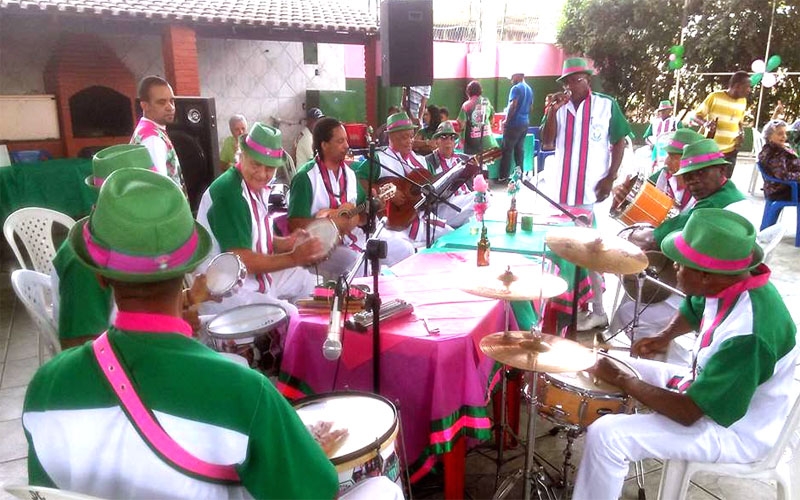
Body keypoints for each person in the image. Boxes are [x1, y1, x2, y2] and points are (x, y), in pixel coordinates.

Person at [23, 168, 343, 499]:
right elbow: (317, 493)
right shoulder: (246, 392)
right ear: (189, 267)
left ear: (101, 277)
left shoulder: (44, 390)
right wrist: (305, 452)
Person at [572, 208, 798, 500]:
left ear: (705, 276)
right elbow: (695, 307)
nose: (674, 267)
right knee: (613, 362)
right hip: (706, 387)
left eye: (681, 264)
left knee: (608, 436)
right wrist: (662, 337)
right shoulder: (731, 281)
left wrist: (624, 380)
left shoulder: (749, 335)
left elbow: (689, 412)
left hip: (736, 429)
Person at [196, 122, 328, 317]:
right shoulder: (229, 193)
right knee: (290, 314)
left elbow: (253, 233)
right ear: (242, 155)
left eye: (270, 169)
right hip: (225, 292)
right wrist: (293, 257)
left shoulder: (251, 185)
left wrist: (286, 243)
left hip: (249, 279)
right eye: (256, 164)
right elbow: (242, 260)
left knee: (307, 280)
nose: (262, 174)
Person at [540, 57, 632, 331]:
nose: (571, 85)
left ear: (587, 79)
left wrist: (610, 177)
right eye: (567, 80)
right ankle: (571, 307)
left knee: (592, 251)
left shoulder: (606, 105)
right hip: (562, 192)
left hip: (594, 192)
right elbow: (546, 141)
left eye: (576, 79)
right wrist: (551, 112)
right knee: (567, 250)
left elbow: (619, 142)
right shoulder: (559, 107)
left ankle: (599, 310)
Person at [288, 117, 414, 279]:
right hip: (321, 247)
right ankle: (358, 303)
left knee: (405, 249)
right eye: (340, 141)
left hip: (354, 237)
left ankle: (392, 297)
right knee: (360, 263)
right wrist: (329, 225)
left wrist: (375, 207)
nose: (347, 146)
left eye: (346, 140)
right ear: (324, 145)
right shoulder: (305, 177)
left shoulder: (350, 174)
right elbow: (295, 223)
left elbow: (361, 216)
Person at [355, 111, 453, 247]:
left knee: (450, 236)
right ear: (390, 137)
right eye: (404, 137)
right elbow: (360, 178)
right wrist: (384, 192)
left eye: (411, 137)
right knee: (404, 249)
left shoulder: (420, 161)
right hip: (391, 222)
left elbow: (433, 182)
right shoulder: (380, 158)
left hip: (418, 217)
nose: (409, 141)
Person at [688, 71, 751, 178]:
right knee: (708, 182)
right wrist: (706, 124)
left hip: (731, 151)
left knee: (725, 183)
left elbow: (739, 122)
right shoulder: (715, 97)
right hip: (711, 151)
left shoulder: (743, 101)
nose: (749, 90)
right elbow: (695, 116)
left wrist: (742, 132)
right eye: (747, 87)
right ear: (737, 86)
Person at [130, 75, 185, 190]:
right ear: (145, 106)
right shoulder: (152, 139)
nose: (170, 107)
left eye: (171, 101)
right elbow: (160, 190)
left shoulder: (146, 129)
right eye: (161, 102)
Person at [425, 121, 475, 228]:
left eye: (452, 138)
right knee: (479, 197)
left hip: (464, 201)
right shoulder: (428, 162)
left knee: (483, 198)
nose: (448, 141)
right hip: (444, 206)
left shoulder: (463, 159)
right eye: (443, 137)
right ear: (436, 141)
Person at [499, 72, 533, 182]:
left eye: (512, 77)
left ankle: (504, 176)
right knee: (519, 150)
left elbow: (513, 105)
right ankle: (519, 175)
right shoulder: (529, 89)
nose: (511, 80)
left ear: (518, 76)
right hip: (525, 122)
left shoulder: (516, 88)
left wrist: (506, 121)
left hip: (514, 124)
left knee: (507, 150)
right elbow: (531, 106)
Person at [758, 119, 800, 201]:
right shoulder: (774, 153)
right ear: (769, 136)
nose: (784, 136)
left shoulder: (779, 148)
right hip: (781, 190)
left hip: (788, 186)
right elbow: (782, 175)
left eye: (785, 133)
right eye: (780, 134)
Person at [457, 80, 499, 156]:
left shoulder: (466, 105)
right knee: (484, 165)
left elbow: (461, 124)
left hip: (474, 145)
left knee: (474, 166)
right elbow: (492, 117)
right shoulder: (486, 101)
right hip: (488, 143)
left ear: (468, 92)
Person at [642, 99, 682, 167]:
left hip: (670, 147)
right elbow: (646, 137)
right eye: (661, 110)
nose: (663, 112)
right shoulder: (654, 122)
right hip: (655, 146)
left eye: (665, 110)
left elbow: (682, 136)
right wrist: (650, 145)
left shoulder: (676, 122)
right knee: (639, 154)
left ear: (670, 111)